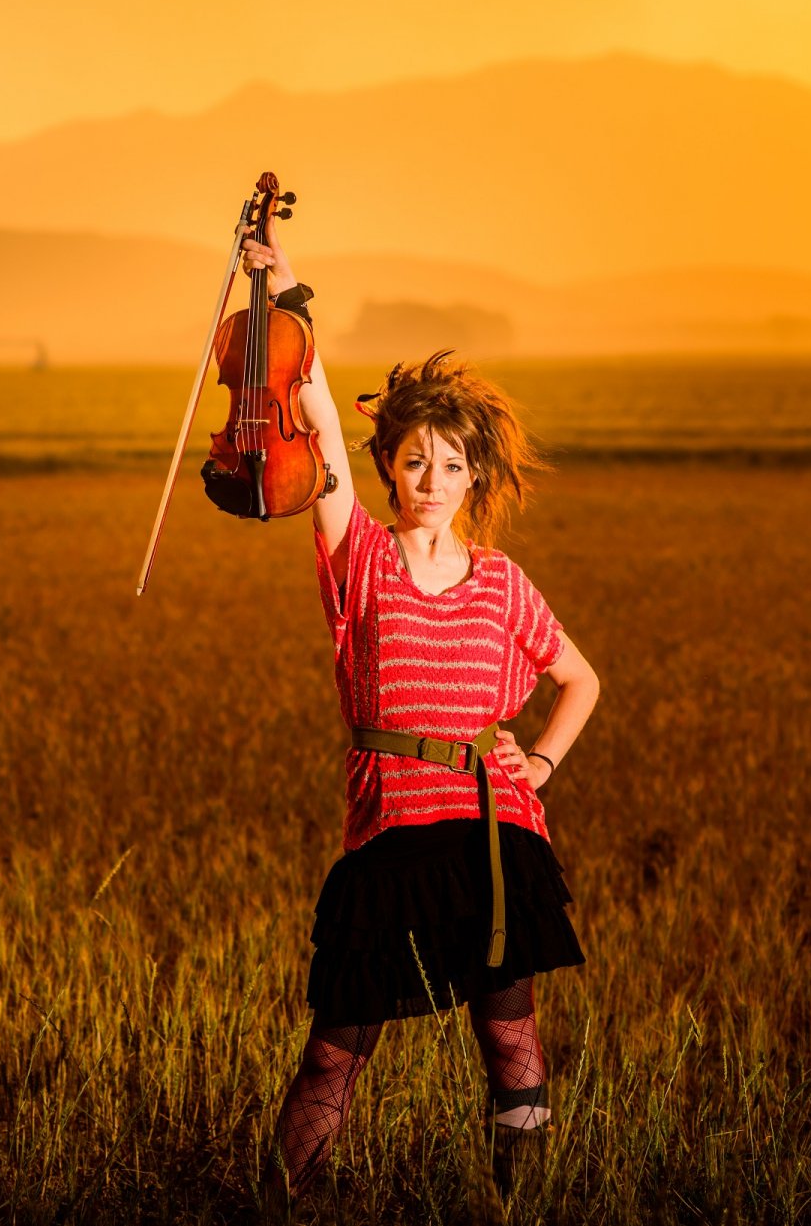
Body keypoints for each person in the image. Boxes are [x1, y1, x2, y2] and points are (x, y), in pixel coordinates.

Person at [244, 217, 602, 1214]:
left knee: (512, 1037)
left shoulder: (502, 582)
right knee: (335, 1051)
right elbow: (312, 409)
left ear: (473, 478)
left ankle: (516, 1205)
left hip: (494, 837)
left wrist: (542, 764)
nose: (432, 483)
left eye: (451, 467)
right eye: (413, 464)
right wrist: (290, 285)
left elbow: (581, 680)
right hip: (390, 837)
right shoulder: (353, 554)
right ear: (387, 465)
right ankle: (292, 1204)